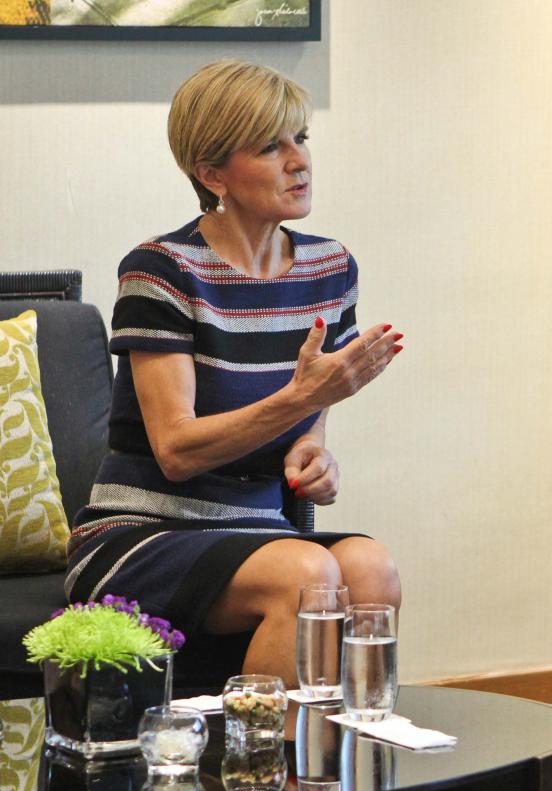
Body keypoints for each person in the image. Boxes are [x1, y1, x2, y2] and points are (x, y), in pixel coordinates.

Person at [64, 59, 403, 687]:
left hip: (261, 528)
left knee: (373, 569)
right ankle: (251, 775)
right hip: (145, 531)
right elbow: (176, 451)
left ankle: (341, 767)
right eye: (270, 147)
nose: (298, 160)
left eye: (301, 138)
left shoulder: (329, 267)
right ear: (212, 172)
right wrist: (302, 396)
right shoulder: (163, 270)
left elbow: (308, 417)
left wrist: (313, 456)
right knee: (308, 575)